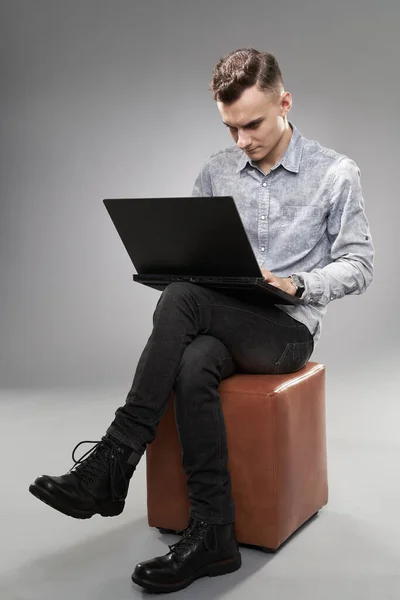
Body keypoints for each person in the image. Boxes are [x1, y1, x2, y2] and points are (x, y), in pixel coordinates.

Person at [29, 48, 374, 593]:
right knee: (192, 359)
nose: (242, 141)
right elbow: (194, 261)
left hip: (286, 333)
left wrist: (298, 282)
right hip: (221, 319)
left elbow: (360, 264)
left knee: (184, 299)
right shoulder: (216, 171)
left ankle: (114, 459)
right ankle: (214, 533)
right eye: (230, 128)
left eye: (253, 124)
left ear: (285, 102)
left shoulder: (335, 173)